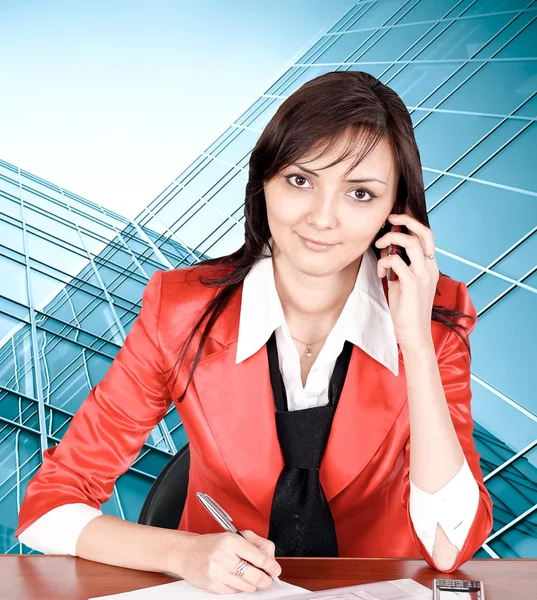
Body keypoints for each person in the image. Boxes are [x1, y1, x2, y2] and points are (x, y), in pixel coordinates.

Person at [15, 71, 493, 594]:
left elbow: (449, 545)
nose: (323, 218)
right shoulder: (179, 309)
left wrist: (416, 346)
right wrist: (183, 553)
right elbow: (49, 507)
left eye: (360, 193)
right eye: (300, 180)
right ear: (263, 180)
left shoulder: (437, 312)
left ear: (395, 211)